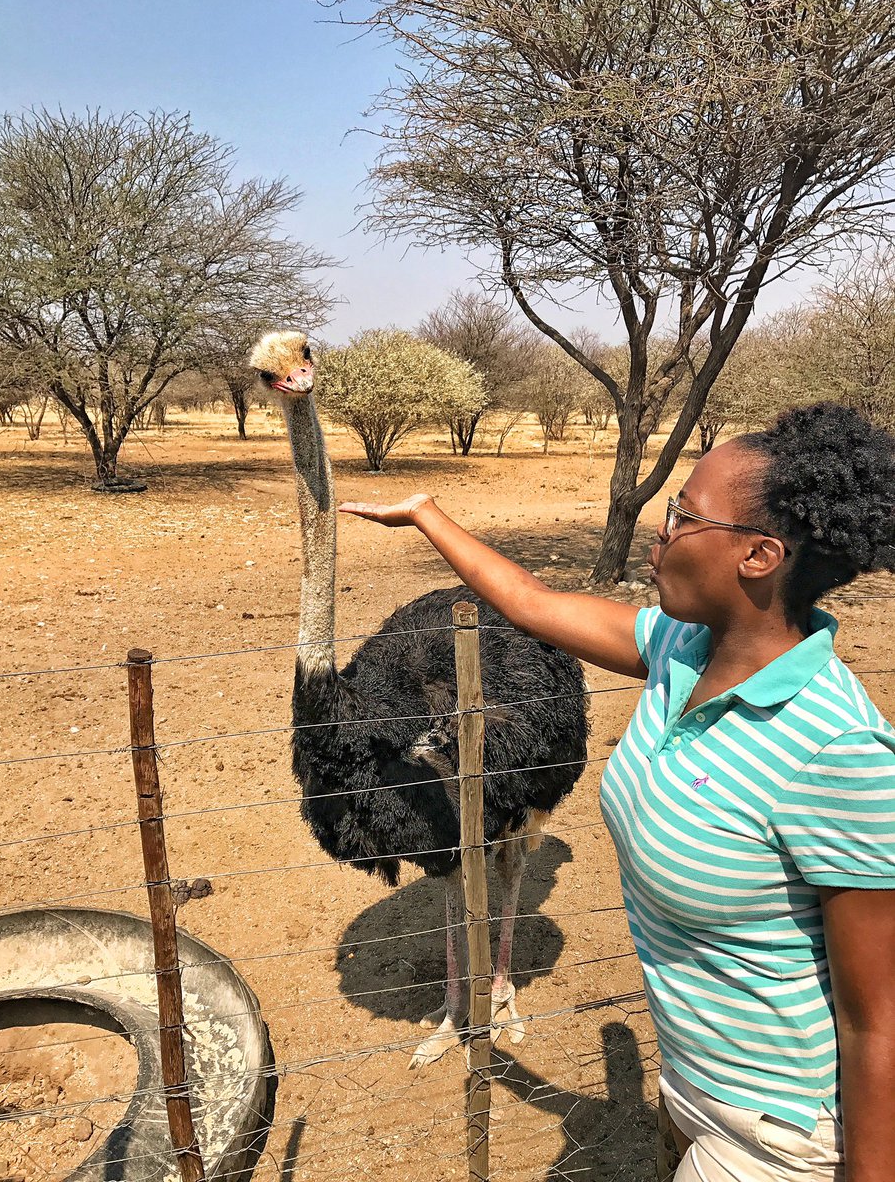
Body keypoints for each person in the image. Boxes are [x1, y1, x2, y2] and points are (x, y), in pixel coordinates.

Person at [340, 401, 895, 1182]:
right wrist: (430, 515)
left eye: (684, 514)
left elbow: (880, 1022)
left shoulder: (836, 750)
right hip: (691, 1082)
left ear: (760, 555)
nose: (661, 528)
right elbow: (533, 604)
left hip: (779, 1131)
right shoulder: (679, 652)